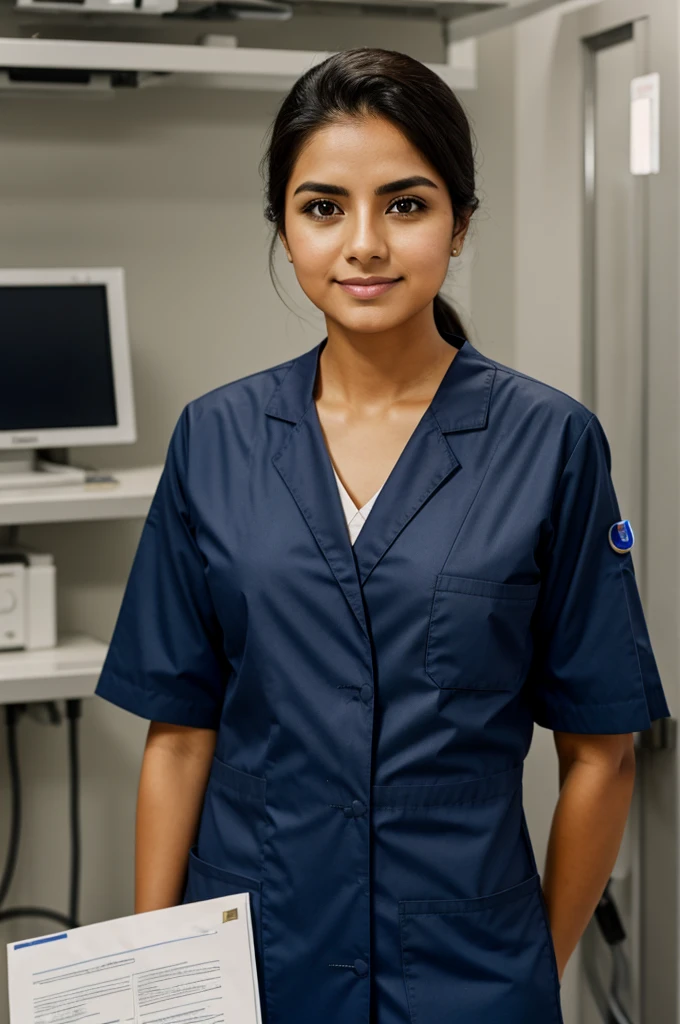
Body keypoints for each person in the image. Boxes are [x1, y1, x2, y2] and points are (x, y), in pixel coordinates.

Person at [94, 46, 671, 1024]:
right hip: (258, 954)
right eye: (322, 207)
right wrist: (152, 978)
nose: (363, 243)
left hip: (462, 970)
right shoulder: (218, 436)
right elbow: (179, 734)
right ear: (283, 225)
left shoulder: (546, 442)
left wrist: (528, 963)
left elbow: (600, 752)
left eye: (405, 204)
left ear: (459, 222)